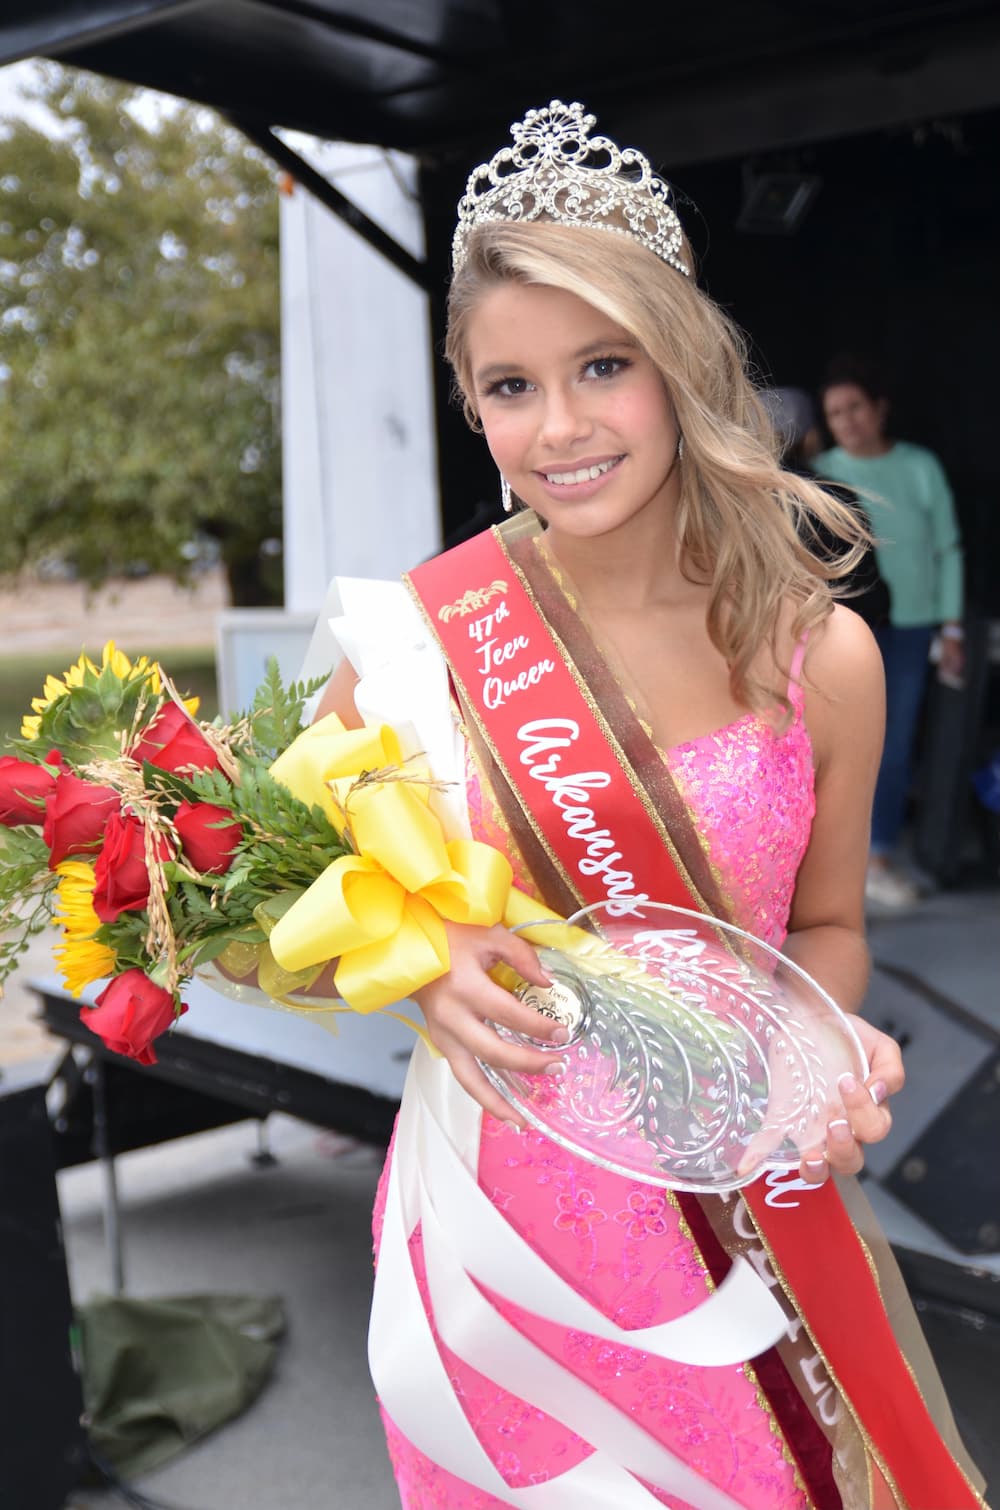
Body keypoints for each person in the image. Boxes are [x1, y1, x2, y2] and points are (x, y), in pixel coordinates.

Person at [315, 103, 985, 1509]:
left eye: (601, 366)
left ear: (680, 362)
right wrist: (420, 962)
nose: (557, 427)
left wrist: (825, 1043)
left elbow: (827, 925)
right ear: (469, 400)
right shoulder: (423, 645)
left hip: (742, 1238)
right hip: (495, 1251)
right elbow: (284, 906)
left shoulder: (826, 657)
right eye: (509, 386)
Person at [814, 358, 964, 908]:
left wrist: (950, 626)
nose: (848, 420)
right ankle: (827, 865)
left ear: (878, 409)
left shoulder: (918, 466)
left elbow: (947, 549)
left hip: (909, 626)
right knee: (828, 747)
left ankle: (875, 857)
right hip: (842, 630)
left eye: (855, 407)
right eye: (835, 412)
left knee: (893, 744)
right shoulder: (820, 472)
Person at [761, 385, 890, 629]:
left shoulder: (731, 502)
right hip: (835, 639)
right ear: (811, 436)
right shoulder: (836, 497)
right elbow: (868, 592)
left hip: (758, 641)